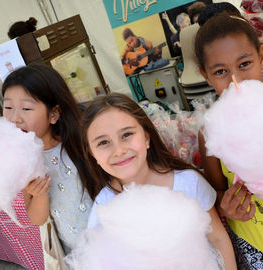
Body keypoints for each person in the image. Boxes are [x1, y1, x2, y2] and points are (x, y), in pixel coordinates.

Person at [81, 92, 237, 269]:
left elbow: (218, 238)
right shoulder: (104, 206)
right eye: (103, 143)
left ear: (146, 138)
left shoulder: (187, 183)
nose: (119, 150)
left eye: (126, 135)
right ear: (92, 154)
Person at [1, 64, 96, 256]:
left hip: (110, 237)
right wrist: (39, 195)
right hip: (75, 252)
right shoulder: (21, 161)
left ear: (53, 114)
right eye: (8, 107)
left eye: (26, 108)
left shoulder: (82, 143)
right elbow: (37, 219)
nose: (14, 118)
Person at [194, 12, 263, 269]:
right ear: (206, 75)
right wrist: (227, 208)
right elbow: (217, 191)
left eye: (245, 64)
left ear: (261, 56)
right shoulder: (210, 131)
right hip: (253, 244)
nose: (236, 80)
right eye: (221, 71)